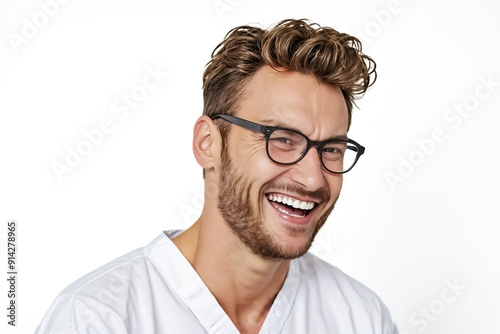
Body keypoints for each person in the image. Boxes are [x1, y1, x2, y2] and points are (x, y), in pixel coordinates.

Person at [36, 18, 398, 334]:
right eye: (283, 139)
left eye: (331, 149)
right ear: (208, 144)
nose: (313, 179)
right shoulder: (97, 320)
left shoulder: (361, 318)